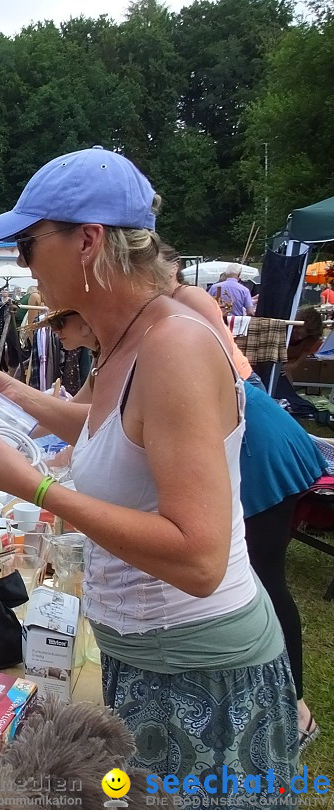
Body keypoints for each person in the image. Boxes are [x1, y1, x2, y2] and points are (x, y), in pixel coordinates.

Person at [0, 147, 297, 793]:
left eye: (28, 247)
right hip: (148, 659)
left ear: (88, 241)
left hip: (197, 669)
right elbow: (113, 438)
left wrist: (36, 487)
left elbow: (198, 560)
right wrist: (14, 393)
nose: (23, 267)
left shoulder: (172, 345)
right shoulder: (127, 341)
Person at [167, 269, 324, 751]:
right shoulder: (170, 310)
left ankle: (294, 711)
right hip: (253, 439)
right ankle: (283, 704)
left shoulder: (183, 302)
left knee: (263, 580)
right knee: (259, 578)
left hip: (258, 446)